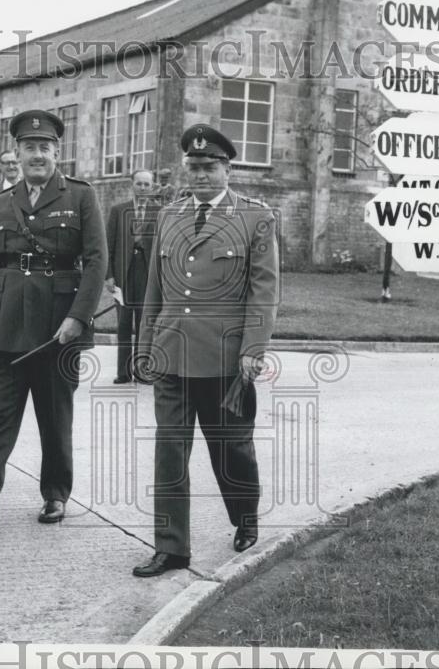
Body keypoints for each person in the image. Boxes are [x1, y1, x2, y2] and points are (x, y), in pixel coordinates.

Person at [0, 109, 107, 536]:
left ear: (57, 152)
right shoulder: (1, 202)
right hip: (5, 324)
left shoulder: (81, 197)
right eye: (29, 147)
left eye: (45, 148)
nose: (37, 155)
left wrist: (78, 317)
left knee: (55, 419)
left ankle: (55, 495)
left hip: (58, 329)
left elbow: (96, 262)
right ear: (16, 152)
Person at [132, 124, 279, 577]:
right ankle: (172, 547)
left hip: (225, 358)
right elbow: (155, 289)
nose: (200, 175)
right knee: (170, 452)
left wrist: (253, 350)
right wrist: (144, 347)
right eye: (193, 167)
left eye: (209, 167)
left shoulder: (255, 218)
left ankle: (245, 517)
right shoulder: (171, 216)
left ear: (227, 168)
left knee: (231, 449)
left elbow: (264, 291)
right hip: (172, 352)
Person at [105, 169, 160, 383]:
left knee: (146, 324)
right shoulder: (119, 210)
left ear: (152, 186)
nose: (143, 188)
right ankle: (124, 372)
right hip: (123, 274)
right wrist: (109, 276)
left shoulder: (160, 211)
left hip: (148, 274)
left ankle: (144, 371)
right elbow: (108, 245)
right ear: (132, 184)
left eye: (147, 184)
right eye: (139, 183)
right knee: (124, 324)